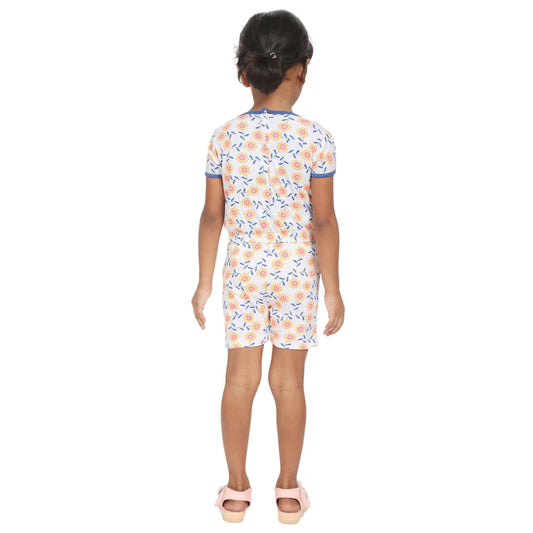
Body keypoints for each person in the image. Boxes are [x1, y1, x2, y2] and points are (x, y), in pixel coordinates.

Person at [191, 9, 344, 524]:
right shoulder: (317, 139)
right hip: (298, 273)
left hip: (243, 273)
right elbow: (324, 222)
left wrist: (204, 283)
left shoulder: (223, 137)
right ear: (301, 69)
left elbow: (212, 216)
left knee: (239, 380)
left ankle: (236, 491)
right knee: (289, 383)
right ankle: (287, 491)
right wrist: (333, 290)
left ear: (244, 73)